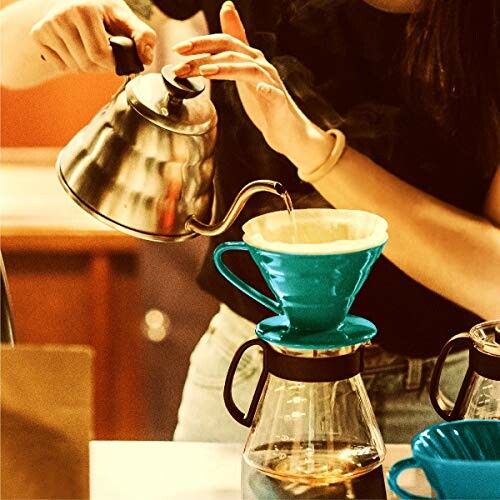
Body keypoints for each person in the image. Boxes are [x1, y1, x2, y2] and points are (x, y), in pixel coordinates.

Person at [2, 0, 499, 444]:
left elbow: (492, 281)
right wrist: (65, 19)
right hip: (255, 367)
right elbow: (9, 55)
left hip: (449, 387)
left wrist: (312, 149)